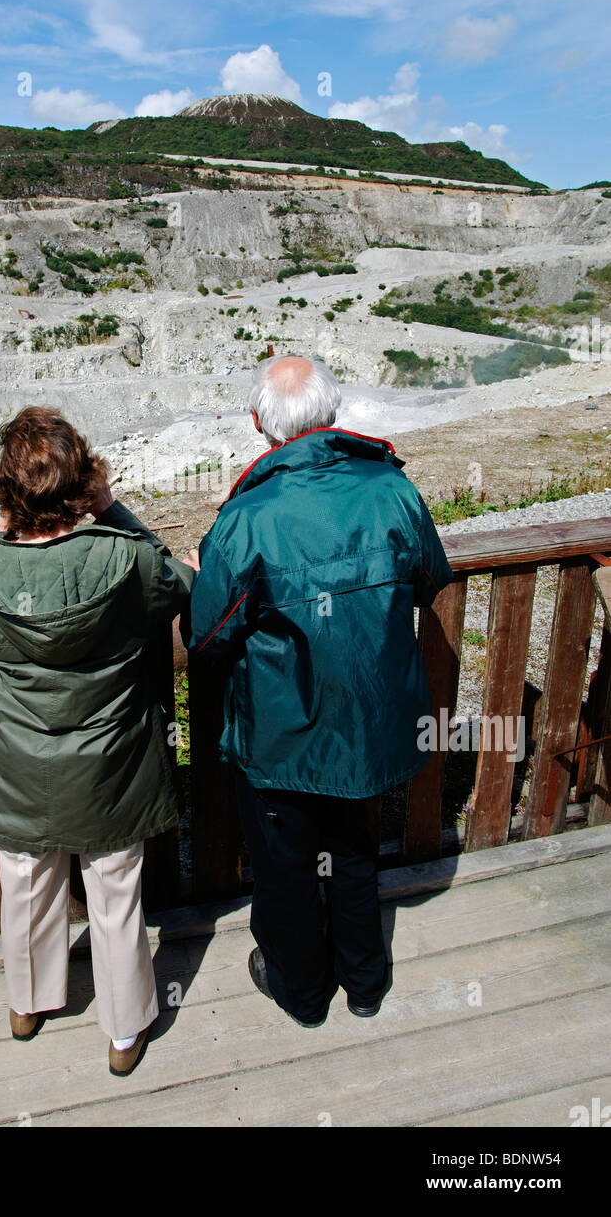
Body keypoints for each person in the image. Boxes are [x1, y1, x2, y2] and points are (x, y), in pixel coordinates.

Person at [184, 356, 454, 1027]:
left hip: (283, 732)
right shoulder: (392, 491)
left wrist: (203, 571)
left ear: (258, 423)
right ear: (332, 412)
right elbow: (428, 577)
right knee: (355, 851)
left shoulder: (246, 517)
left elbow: (209, 636)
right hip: (367, 722)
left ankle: (302, 994)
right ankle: (364, 983)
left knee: (286, 867)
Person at [0, 406, 194, 1075]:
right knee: (116, 895)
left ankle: (28, 1003)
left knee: (26, 881)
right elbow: (179, 582)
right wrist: (114, 509)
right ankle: (123, 1034)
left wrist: (4, 532)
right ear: (83, 483)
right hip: (111, 764)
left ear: (6, 491)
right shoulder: (125, 560)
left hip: (17, 764)